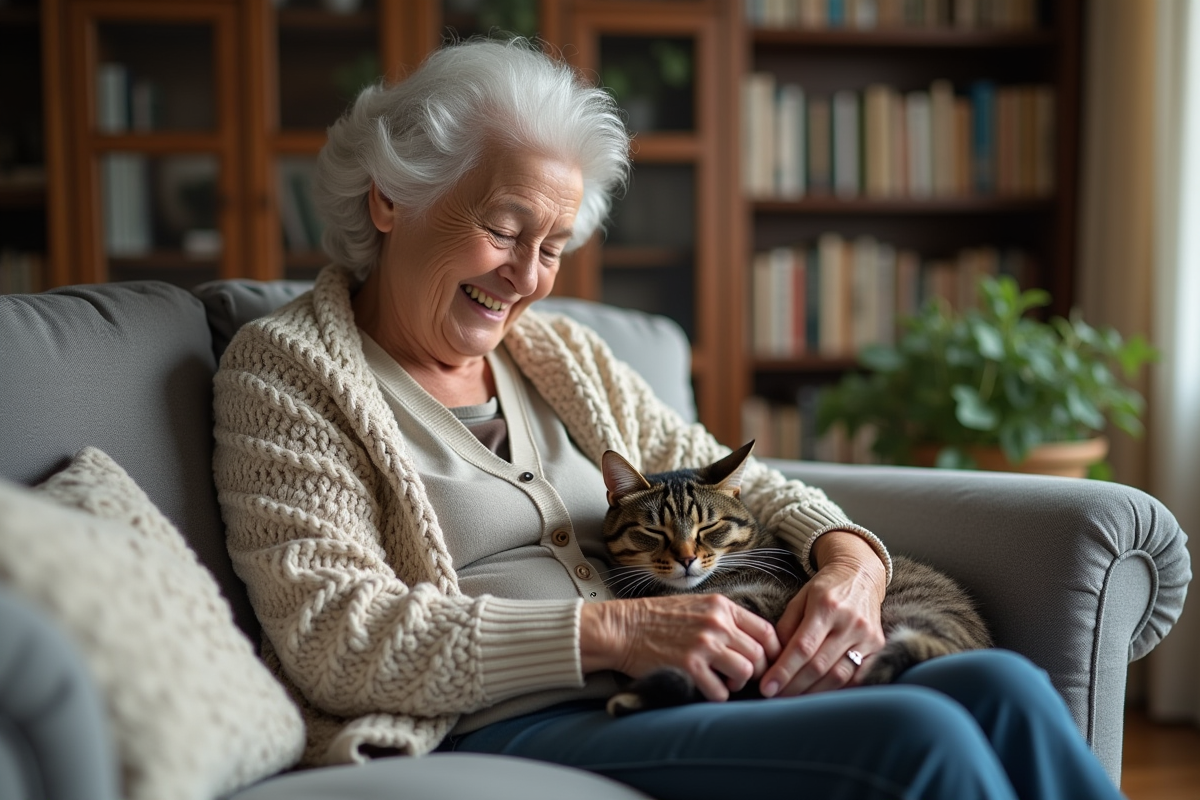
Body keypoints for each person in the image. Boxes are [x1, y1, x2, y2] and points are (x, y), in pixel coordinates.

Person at [212, 37, 1123, 799]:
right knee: (920, 738)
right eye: (504, 229)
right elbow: (335, 634)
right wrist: (617, 633)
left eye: (552, 246)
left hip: (686, 678)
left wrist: (853, 564)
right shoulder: (289, 372)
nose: (527, 277)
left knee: (1002, 686)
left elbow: (738, 478)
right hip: (514, 718)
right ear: (390, 197)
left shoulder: (560, 356)